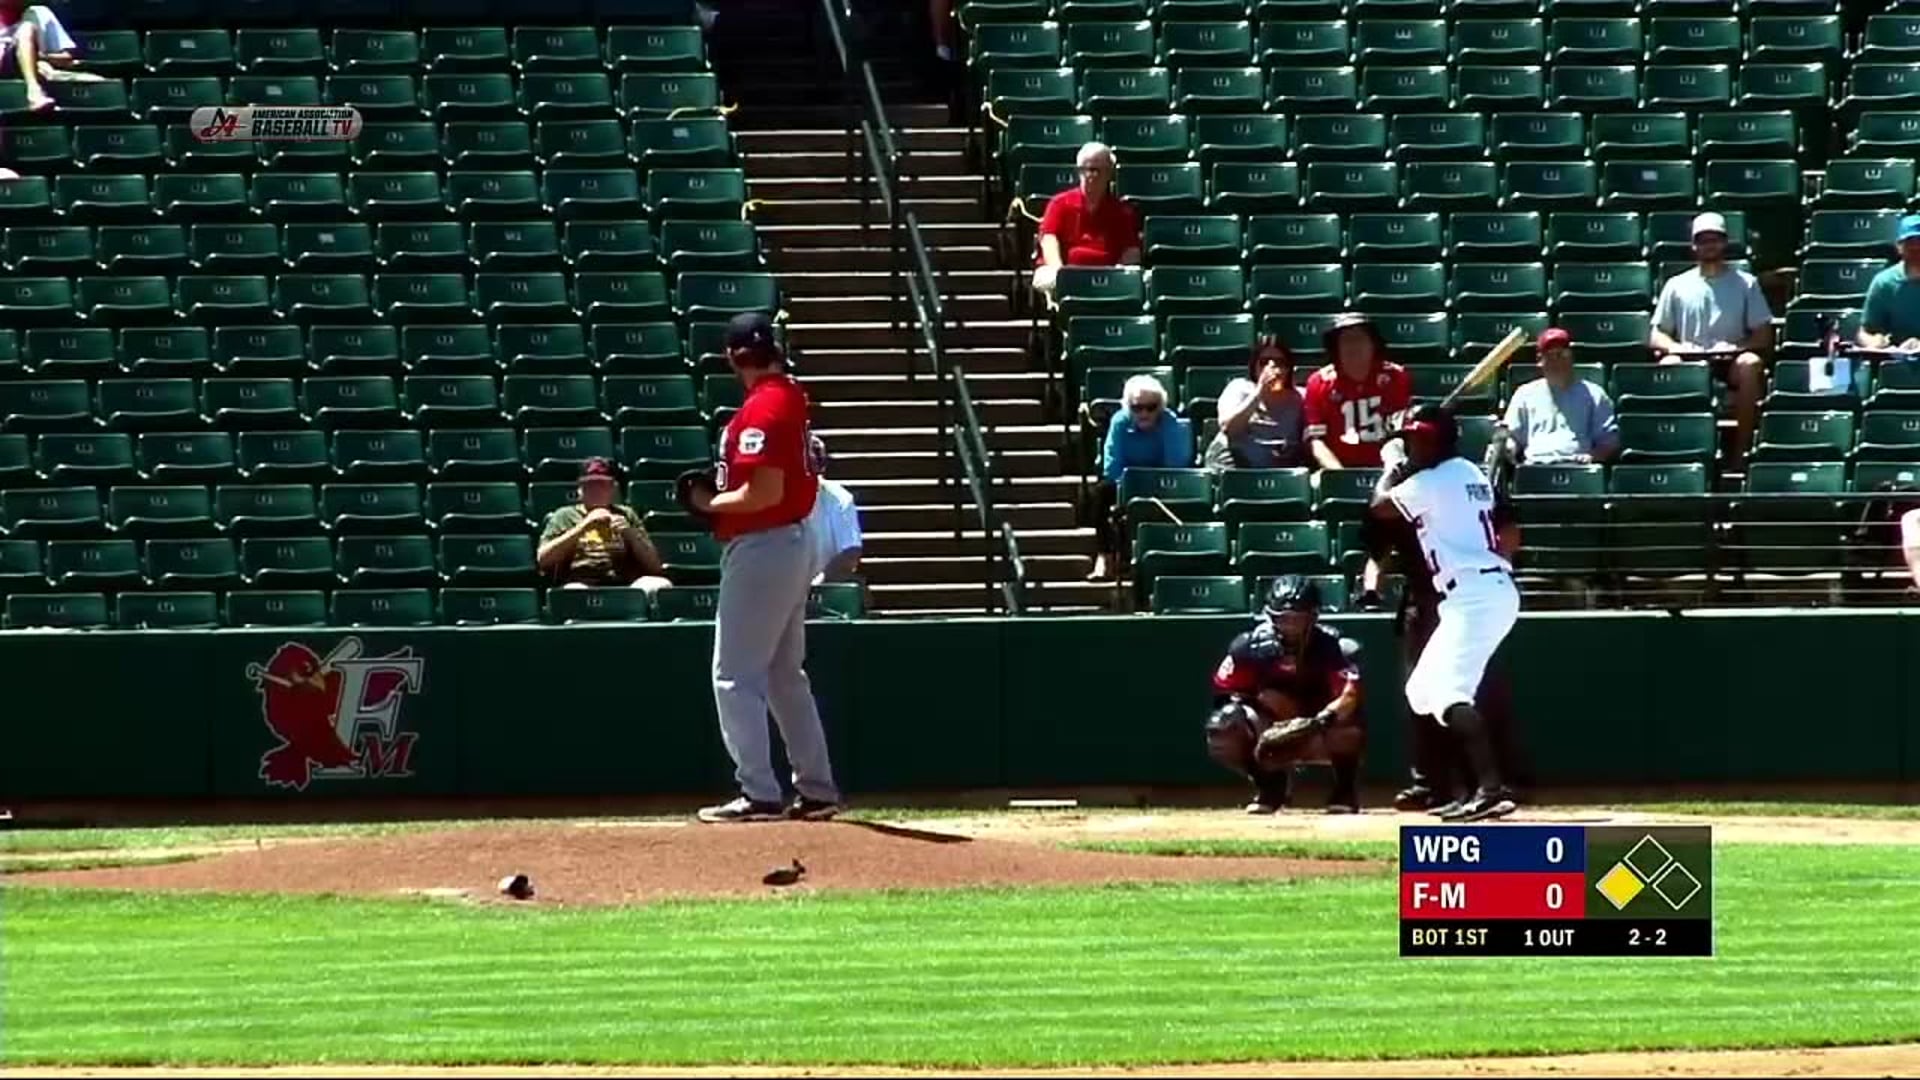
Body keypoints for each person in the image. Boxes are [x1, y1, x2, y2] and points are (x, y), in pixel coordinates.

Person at [685, 312, 842, 824]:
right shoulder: (789, 395)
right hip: (793, 541)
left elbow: (763, 493)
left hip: (764, 544)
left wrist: (711, 505)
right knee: (781, 674)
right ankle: (816, 789)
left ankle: (758, 792)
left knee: (733, 674)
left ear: (733, 358)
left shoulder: (763, 409)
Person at [1368, 404, 1520, 823]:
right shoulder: (1467, 472)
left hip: (1477, 594)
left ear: (1442, 441)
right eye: (1413, 437)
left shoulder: (1437, 480)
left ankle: (1492, 789)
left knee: (1451, 693)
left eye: (1423, 437)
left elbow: (1379, 506)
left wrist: (1393, 463)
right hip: (1470, 594)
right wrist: (1406, 458)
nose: (1416, 443)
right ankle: (1469, 790)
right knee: (1422, 691)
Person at [1206, 575, 1366, 814]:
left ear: (1312, 617)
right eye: (1284, 620)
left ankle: (1344, 790)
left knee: (1347, 725)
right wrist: (1267, 713)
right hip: (1270, 724)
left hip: (1318, 723)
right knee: (1224, 726)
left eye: (1297, 620)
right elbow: (1226, 693)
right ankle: (1270, 787)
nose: (1290, 627)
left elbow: (1350, 695)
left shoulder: (1331, 647)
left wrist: (1319, 721)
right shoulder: (1248, 647)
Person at [1649, 212, 1773, 462]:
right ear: (1694, 245)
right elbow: (1656, 334)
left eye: (1714, 239)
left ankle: (1741, 452)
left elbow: (1763, 335)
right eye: (1703, 240)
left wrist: (1737, 348)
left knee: (1750, 365)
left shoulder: (1746, 283)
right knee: (1668, 364)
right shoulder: (1676, 284)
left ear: (1724, 242)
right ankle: (1677, 452)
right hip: (1690, 357)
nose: (1709, 245)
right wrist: (1678, 348)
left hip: (1731, 360)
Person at [1090, 373, 1191, 581]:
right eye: (1137, 408)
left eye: (1151, 407)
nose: (1144, 413)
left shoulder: (1170, 422)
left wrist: (1154, 483)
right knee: (1100, 493)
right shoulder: (1119, 422)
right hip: (1127, 482)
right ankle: (1105, 556)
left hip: (1161, 483)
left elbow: (1175, 463)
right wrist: (1128, 485)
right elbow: (1112, 463)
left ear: (1160, 406)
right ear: (1129, 407)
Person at [536, 458, 673, 595]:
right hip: (581, 582)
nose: (596, 490)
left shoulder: (626, 514)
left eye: (602, 485)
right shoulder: (564, 516)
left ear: (613, 488)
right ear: (579, 489)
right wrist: (583, 526)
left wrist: (630, 534)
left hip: (625, 584)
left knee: (660, 585)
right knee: (574, 592)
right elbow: (544, 560)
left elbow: (655, 566)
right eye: (590, 485)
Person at [1489, 328, 1619, 467]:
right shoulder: (1525, 394)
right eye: (1550, 355)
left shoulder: (1594, 394)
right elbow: (1513, 437)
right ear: (1540, 360)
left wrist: (1592, 457)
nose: (1557, 360)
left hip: (1578, 468)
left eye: (1562, 354)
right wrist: (1507, 449)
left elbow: (1609, 440)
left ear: (1571, 357)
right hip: (1536, 467)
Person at [1303, 313, 1413, 471]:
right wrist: (1340, 473)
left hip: (1387, 469)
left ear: (1373, 345)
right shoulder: (1319, 382)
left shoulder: (1395, 377)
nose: (1353, 347)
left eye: (1359, 339)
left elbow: (1402, 433)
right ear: (1336, 347)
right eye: (1346, 340)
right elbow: (1316, 442)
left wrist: (1391, 470)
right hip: (1336, 470)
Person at [1032, 142, 1140, 297]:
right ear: (1079, 171)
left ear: (1109, 174)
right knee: (1047, 278)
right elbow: (1049, 239)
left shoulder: (1122, 211)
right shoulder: (1060, 203)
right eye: (1089, 170)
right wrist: (1061, 273)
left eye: (1100, 171)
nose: (1093, 176)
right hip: (1066, 272)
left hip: (1107, 276)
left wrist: (1118, 276)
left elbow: (1131, 251)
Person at [1203, 335, 1306, 474]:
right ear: (1254, 366)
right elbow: (1229, 428)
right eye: (1264, 362)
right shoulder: (1238, 388)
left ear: (1289, 367)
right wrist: (1258, 394)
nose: (1272, 368)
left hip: (1278, 468)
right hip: (1234, 462)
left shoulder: (1300, 398)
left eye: (1280, 362)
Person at [0, 2, 96, 114]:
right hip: (5, 67)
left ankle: (34, 90)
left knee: (27, 28)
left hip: (37, 70)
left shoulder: (40, 13)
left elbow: (67, 58)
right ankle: (34, 92)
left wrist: (38, 57)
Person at [804, 435, 863, 586]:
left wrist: (820, 581)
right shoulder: (773, 494)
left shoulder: (838, 497)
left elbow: (851, 550)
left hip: (826, 588)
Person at [1858, 214, 1920, 352]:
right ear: (1899, 247)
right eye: (1910, 242)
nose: (1916, 248)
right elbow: (1865, 332)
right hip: (1895, 364)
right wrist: (1874, 341)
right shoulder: (1884, 282)